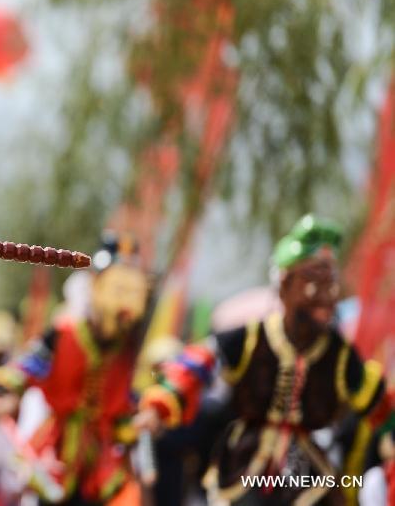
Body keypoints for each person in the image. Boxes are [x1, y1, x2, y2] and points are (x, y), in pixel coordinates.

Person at [134, 214, 395, 505]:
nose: (326, 293)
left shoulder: (339, 355)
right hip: (245, 463)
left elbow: (379, 403)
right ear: (285, 285)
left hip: (306, 472)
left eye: (330, 281)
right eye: (313, 279)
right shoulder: (251, 337)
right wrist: (159, 405)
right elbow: (197, 364)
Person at [0, 232, 150, 505]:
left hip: (102, 456)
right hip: (58, 447)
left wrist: (136, 431)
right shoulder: (64, 333)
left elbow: (126, 399)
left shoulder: (127, 347)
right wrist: (7, 392)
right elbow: (24, 370)